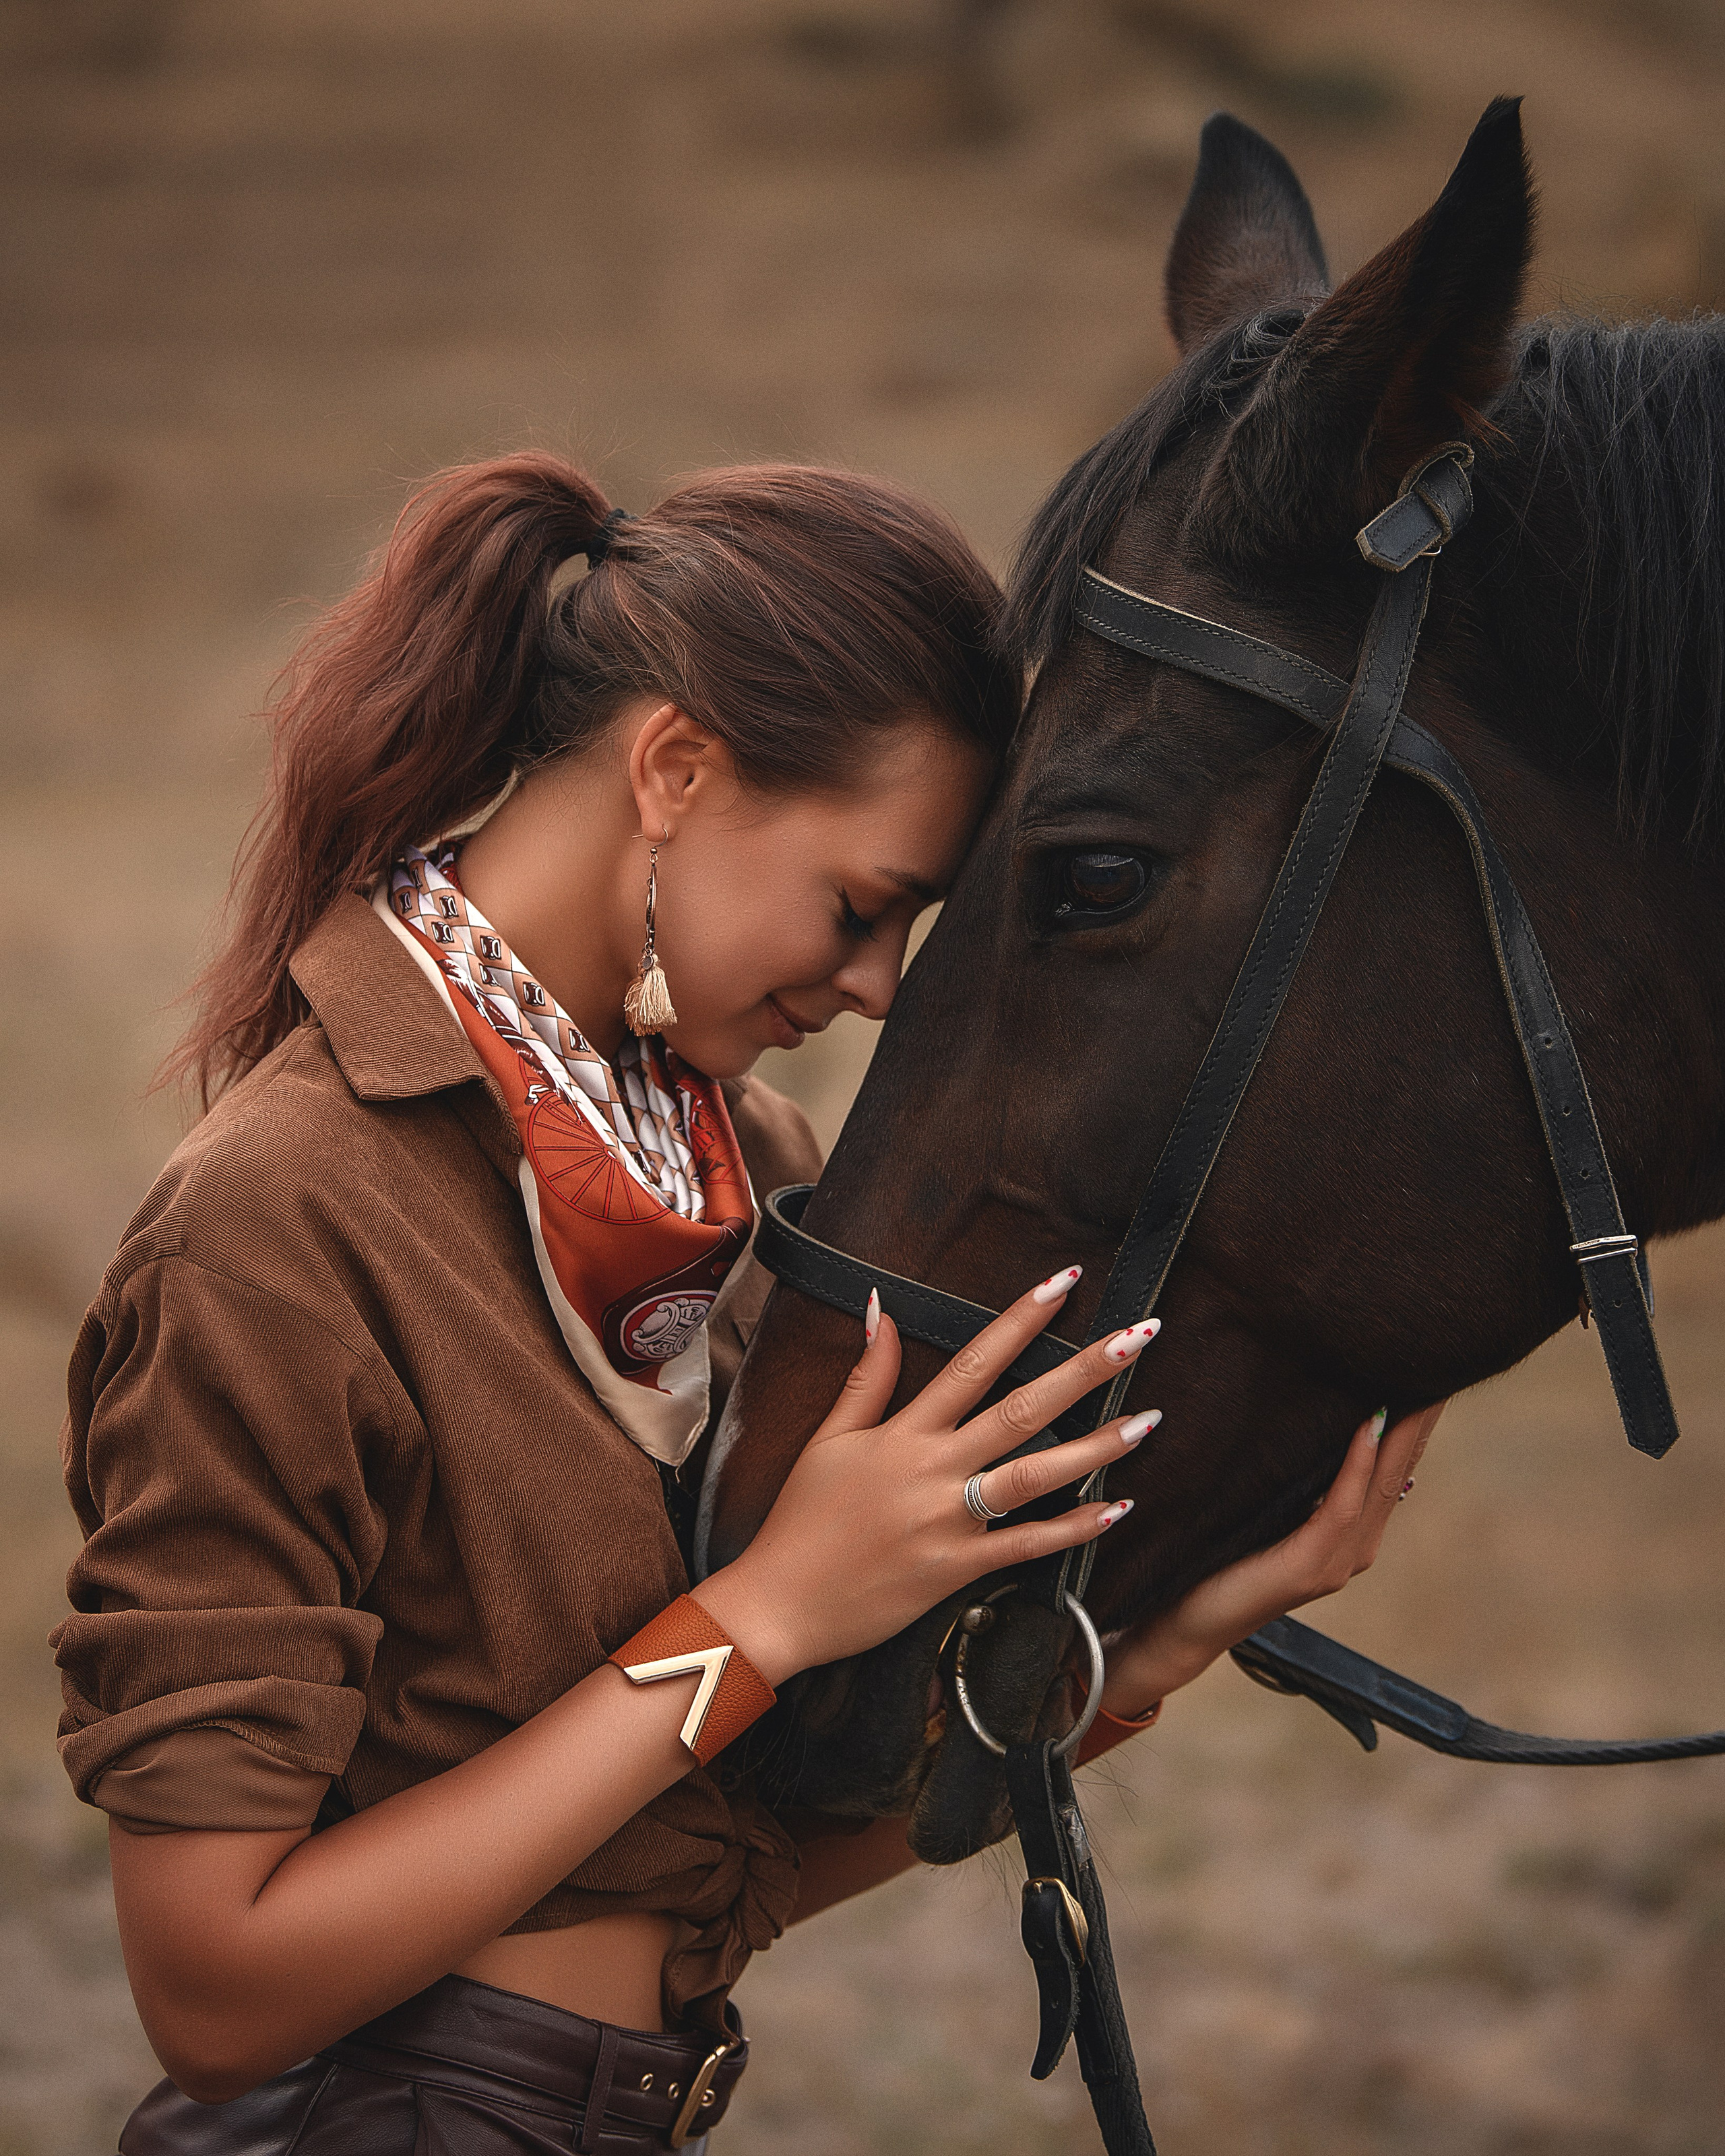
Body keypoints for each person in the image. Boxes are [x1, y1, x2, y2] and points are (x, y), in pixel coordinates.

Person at [51, 451, 1439, 2153]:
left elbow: (712, 1875)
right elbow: (216, 1998)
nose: (874, 988)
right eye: (861, 907)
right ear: (675, 768)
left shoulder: (757, 1173)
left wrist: (1151, 1651)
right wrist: (765, 1612)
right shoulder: (280, 1217)